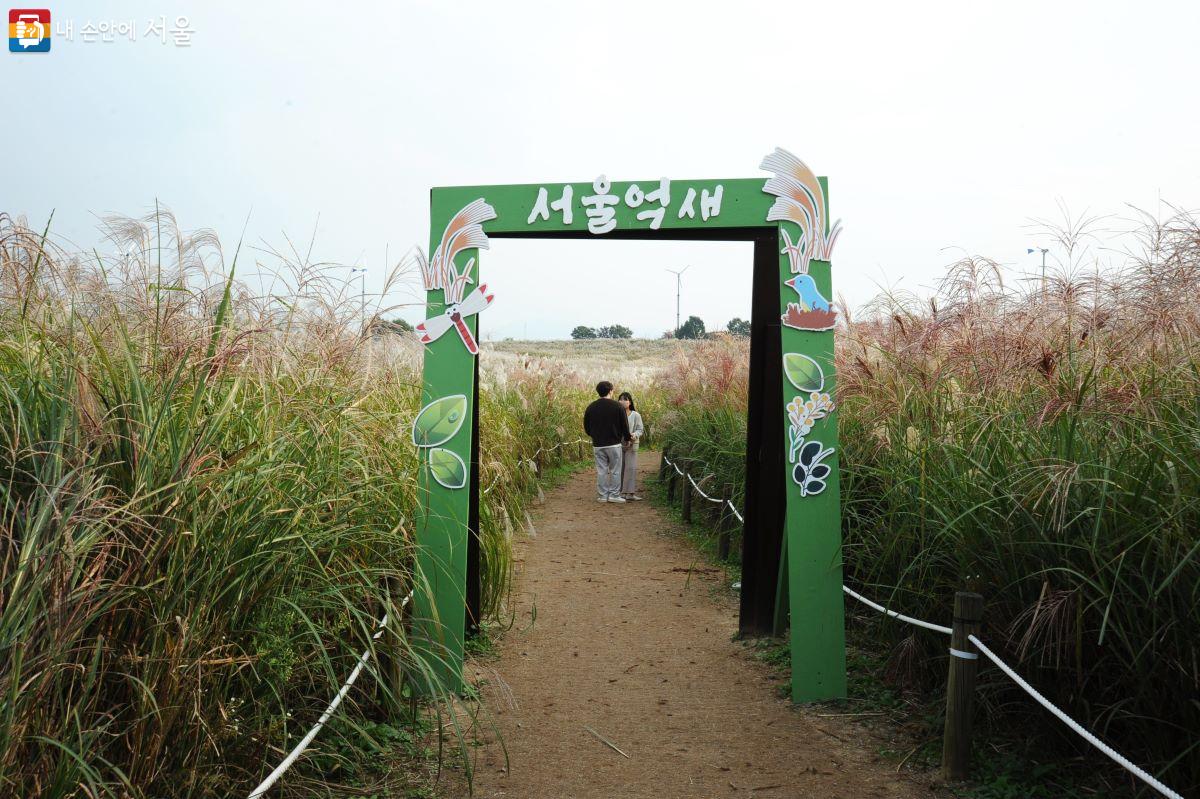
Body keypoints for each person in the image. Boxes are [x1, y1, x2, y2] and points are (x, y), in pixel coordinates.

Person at [583, 380, 631, 503]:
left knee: (601, 471)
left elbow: (587, 427)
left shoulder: (591, 407)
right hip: (614, 444)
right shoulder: (618, 406)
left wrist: (594, 435)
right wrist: (627, 438)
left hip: (598, 444)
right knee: (615, 470)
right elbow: (625, 425)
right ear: (610, 391)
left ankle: (603, 496)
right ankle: (614, 495)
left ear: (598, 392)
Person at [618, 391, 644, 500]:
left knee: (631, 468)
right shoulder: (616, 415)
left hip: (632, 445)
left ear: (630, 402)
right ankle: (621, 493)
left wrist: (634, 435)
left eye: (626, 399)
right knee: (620, 468)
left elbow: (640, 429)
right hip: (619, 445)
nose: (623, 401)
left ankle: (630, 493)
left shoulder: (636, 415)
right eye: (621, 399)